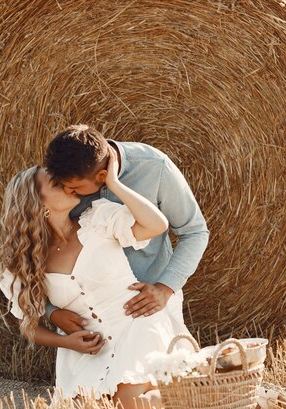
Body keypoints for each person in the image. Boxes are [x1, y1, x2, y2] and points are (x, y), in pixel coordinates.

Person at [0, 149, 195, 409]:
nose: (66, 183)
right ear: (39, 204)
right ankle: (200, 385)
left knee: (128, 407)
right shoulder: (23, 262)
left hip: (136, 325)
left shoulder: (98, 219)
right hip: (87, 353)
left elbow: (157, 225)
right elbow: (29, 328)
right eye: (56, 183)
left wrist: (113, 183)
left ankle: (211, 392)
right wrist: (68, 343)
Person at [43, 125, 209, 336]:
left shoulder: (155, 168)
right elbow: (35, 246)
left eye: (75, 189)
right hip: (91, 317)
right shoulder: (62, 181)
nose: (66, 192)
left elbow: (194, 232)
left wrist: (165, 288)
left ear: (102, 175)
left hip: (148, 304)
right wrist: (51, 311)